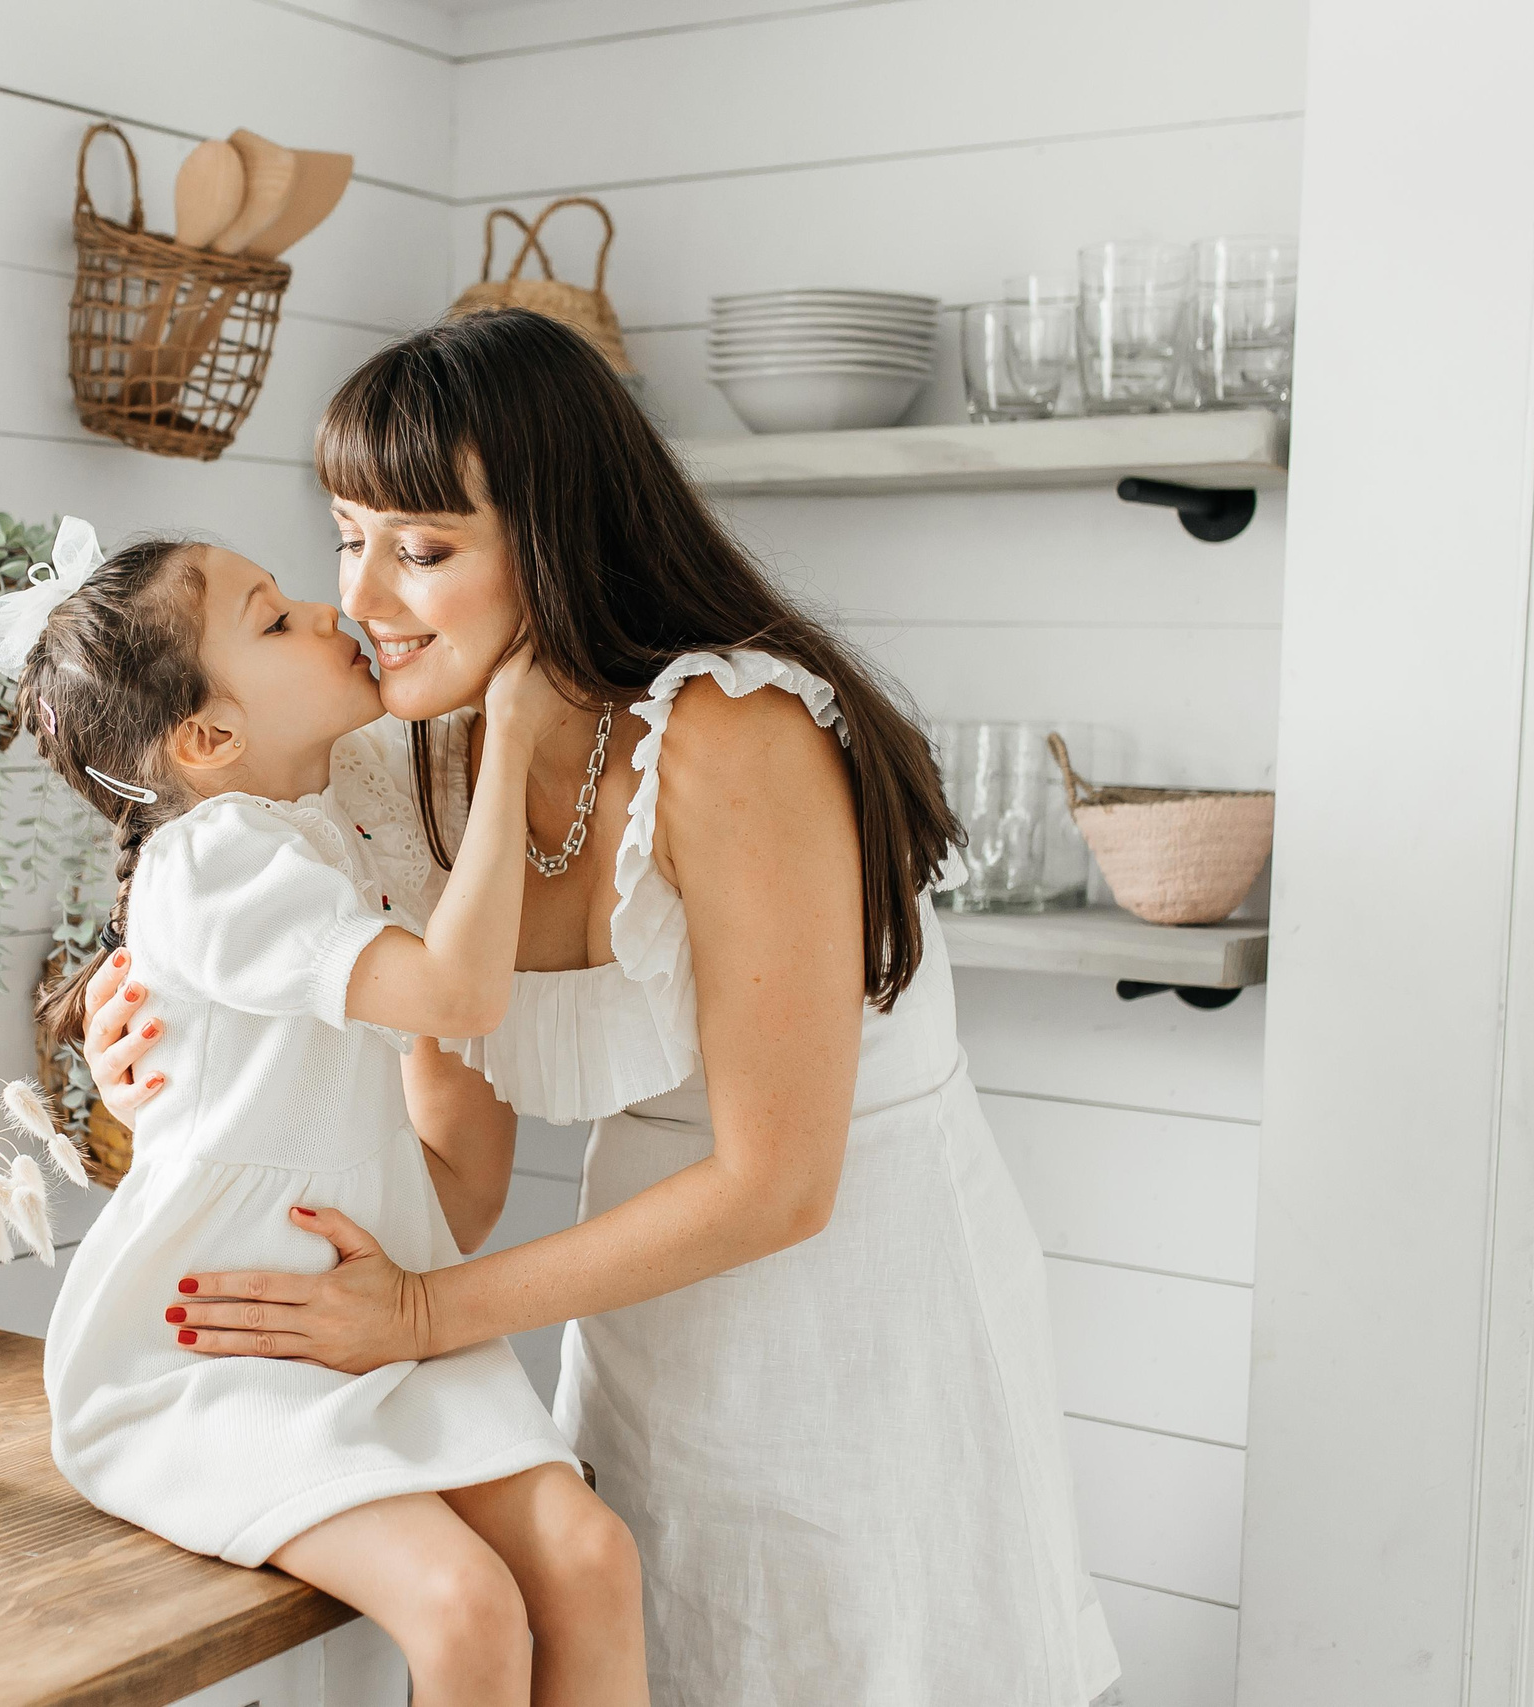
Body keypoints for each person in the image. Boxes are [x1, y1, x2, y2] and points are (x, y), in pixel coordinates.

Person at [78, 310, 1121, 1707]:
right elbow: (449, 1158)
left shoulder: (736, 735)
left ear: (556, 538)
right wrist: (147, 1033)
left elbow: (778, 1182)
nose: (367, 594)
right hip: (641, 1305)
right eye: (348, 536)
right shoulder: (408, 758)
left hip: (867, 1311)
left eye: (425, 547)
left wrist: (426, 1313)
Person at [0, 515, 650, 1707]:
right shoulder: (213, 858)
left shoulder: (317, 818)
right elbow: (458, 991)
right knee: (464, 1602)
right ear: (210, 735)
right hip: (215, 1349)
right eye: (276, 619)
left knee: (591, 1555)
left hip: (359, 1306)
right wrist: (509, 742)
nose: (330, 610)